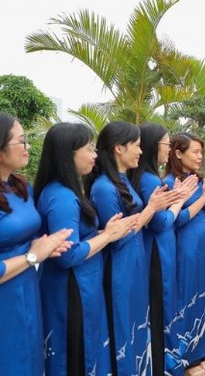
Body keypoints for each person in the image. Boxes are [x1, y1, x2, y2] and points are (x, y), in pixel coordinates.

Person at [36, 123, 136, 376]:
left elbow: (79, 237)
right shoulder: (62, 197)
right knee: (77, 356)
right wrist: (108, 236)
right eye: (89, 149)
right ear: (68, 153)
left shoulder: (68, 191)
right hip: (73, 288)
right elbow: (68, 255)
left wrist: (103, 232)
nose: (95, 155)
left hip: (83, 284)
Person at [88, 121, 180, 376]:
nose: (141, 151)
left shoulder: (122, 180)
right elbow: (117, 236)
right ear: (119, 148)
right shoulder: (105, 188)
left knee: (138, 326)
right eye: (137, 146)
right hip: (120, 266)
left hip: (135, 260)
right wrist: (152, 208)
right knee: (123, 328)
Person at [0, 113, 72, 376]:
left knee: (31, 359)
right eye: (21, 141)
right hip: (6, 298)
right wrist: (32, 257)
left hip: (28, 288)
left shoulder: (20, 186)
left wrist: (46, 246)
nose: (28, 147)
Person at [128, 123, 197, 375]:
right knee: (161, 308)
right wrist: (178, 201)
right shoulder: (148, 179)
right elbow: (161, 222)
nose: (168, 149)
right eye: (166, 144)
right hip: (157, 249)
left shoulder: (149, 176)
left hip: (161, 248)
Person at [163, 133, 205, 372]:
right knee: (186, 300)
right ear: (178, 153)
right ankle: (184, 358)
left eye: (202, 152)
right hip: (185, 246)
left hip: (204, 244)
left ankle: (199, 353)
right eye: (195, 152)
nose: (200, 157)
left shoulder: (196, 180)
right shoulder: (169, 182)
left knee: (203, 296)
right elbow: (177, 220)